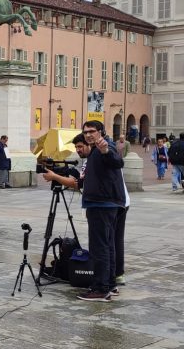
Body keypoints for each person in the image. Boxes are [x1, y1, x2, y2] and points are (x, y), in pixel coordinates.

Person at [46, 121, 125, 302]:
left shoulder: (105, 147)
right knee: (107, 246)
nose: (89, 134)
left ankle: (100, 288)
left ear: (101, 132)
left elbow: (117, 161)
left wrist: (105, 150)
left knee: (100, 248)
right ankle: (110, 284)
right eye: (86, 132)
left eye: (92, 131)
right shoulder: (96, 151)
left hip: (102, 204)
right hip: (104, 203)